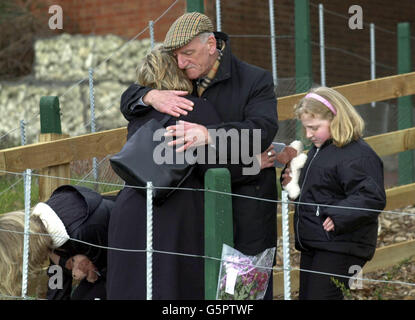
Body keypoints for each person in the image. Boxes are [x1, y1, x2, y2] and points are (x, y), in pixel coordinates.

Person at [117, 12, 279, 299]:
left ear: (212, 44)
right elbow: (131, 97)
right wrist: (149, 96)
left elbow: (262, 132)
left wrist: (209, 135)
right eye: (176, 57)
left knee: (242, 295)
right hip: (198, 209)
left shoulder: (256, 80)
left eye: (188, 54)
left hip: (246, 208)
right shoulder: (179, 85)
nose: (181, 63)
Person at [282, 86, 386, 300]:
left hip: (342, 244)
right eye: (306, 129)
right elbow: (319, 192)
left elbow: (372, 196)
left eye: (314, 127)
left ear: (336, 119)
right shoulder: (320, 150)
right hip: (316, 241)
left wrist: (339, 215)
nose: (309, 135)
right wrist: (292, 183)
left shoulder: (357, 155)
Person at [0, 185, 115, 300]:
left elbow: (115, 273)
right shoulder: (46, 231)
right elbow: (58, 272)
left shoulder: (82, 233)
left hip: (119, 263)